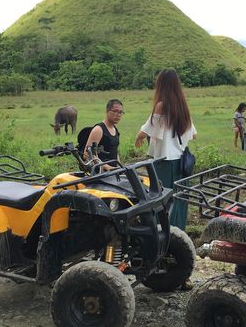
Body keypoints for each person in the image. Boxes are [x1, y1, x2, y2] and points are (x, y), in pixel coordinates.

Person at [135, 69, 197, 232]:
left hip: (164, 162)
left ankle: (163, 236)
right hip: (182, 163)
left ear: (161, 85)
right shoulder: (183, 105)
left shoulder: (161, 106)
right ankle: (178, 233)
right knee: (180, 199)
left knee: (161, 201)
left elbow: (147, 130)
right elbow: (194, 134)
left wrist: (140, 136)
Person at [83, 99, 124, 169]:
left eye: (120, 112)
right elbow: (87, 155)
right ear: (107, 111)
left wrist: (120, 167)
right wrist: (107, 167)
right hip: (101, 173)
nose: (118, 115)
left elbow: (114, 152)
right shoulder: (98, 130)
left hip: (114, 172)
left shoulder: (115, 129)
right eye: (115, 111)